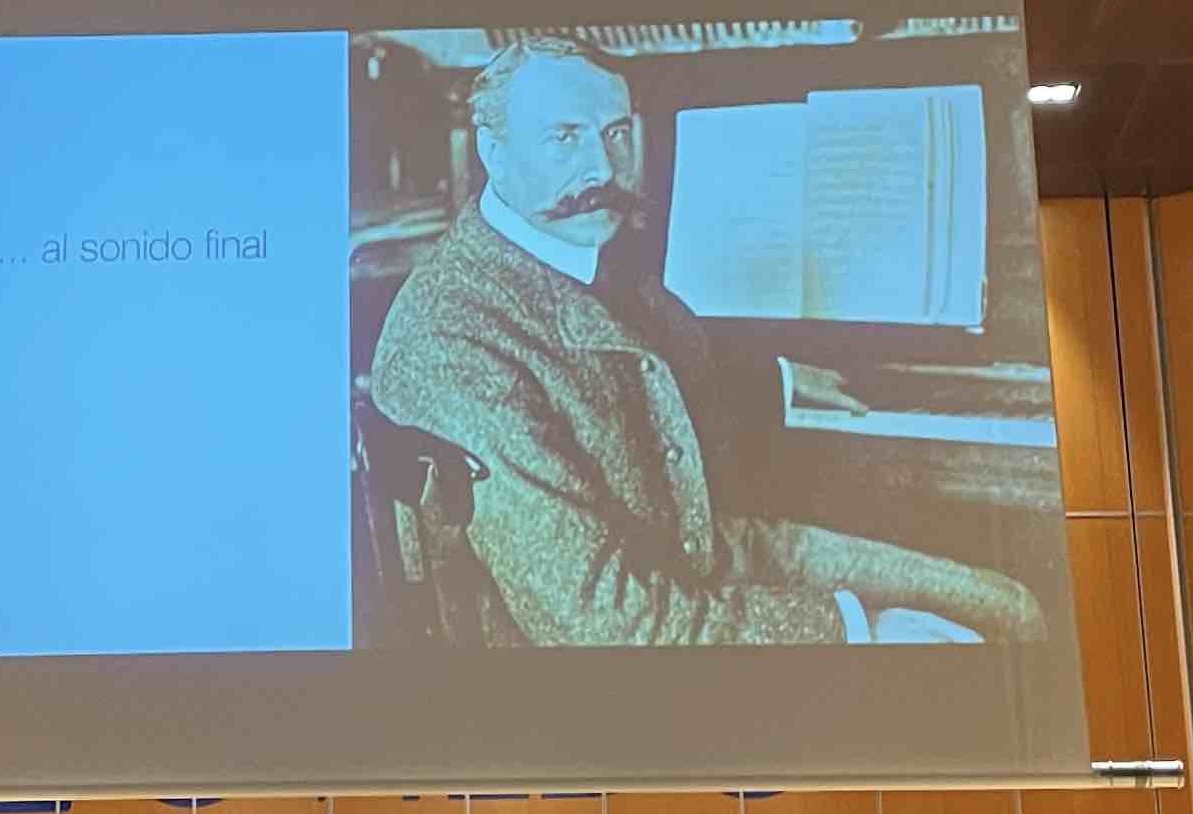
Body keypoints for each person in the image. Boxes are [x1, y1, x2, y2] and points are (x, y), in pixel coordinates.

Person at [367, 33, 1045, 649]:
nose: (601, 167)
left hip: (700, 555)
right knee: (975, 639)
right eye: (564, 137)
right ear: (493, 152)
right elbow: (605, 624)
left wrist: (778, 380)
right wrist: (854, 628)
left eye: (616, 133)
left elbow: (638, 370)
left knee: (1006, 604)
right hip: (607, 658)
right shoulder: (454, 339)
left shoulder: (572, 245)